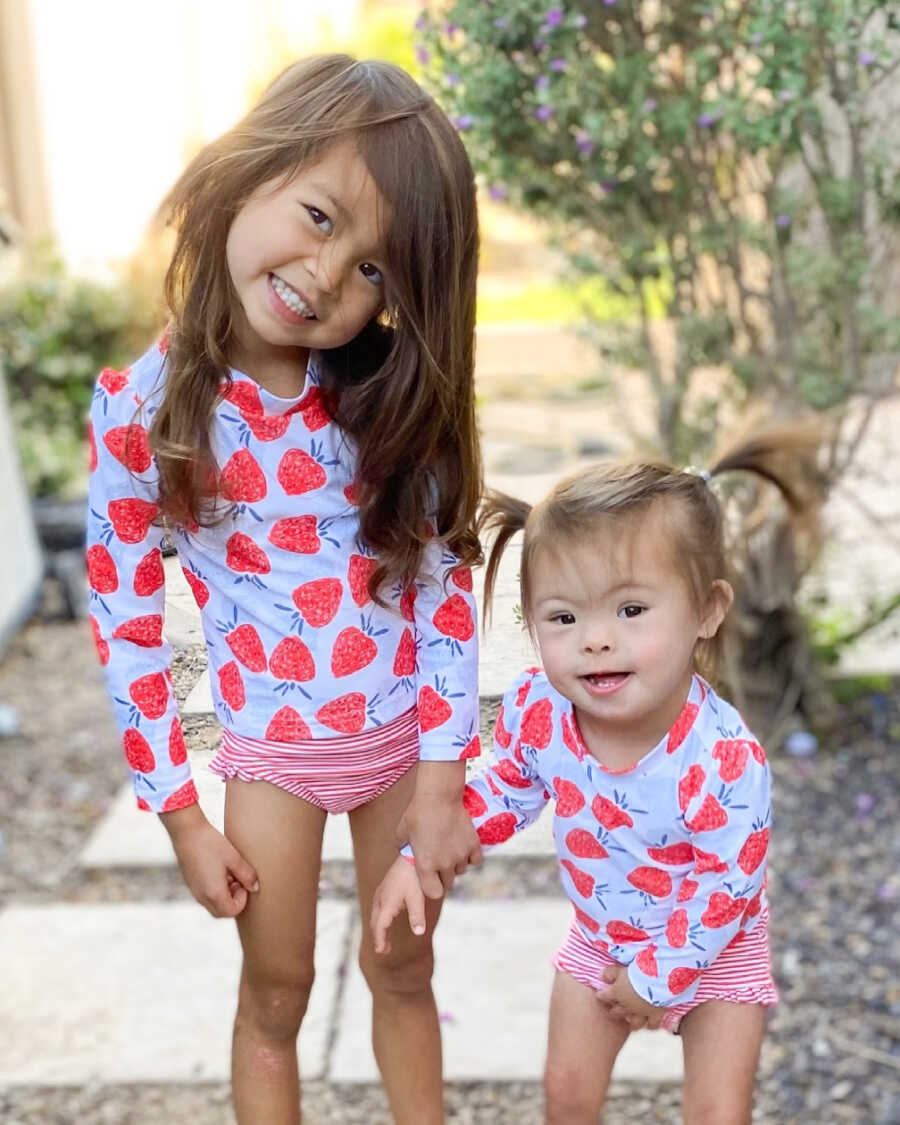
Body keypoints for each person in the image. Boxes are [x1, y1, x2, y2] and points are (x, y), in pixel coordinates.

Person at [86, 55, 484, 1125]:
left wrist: (445, 779)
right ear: (246, 169)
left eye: (374, 273)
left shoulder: (385, 406)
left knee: (403, 973)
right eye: (317, 215)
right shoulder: (141, 412)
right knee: (277, 992)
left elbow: (445, 589)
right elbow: (125, 623)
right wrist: (178, 815)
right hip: (272, 760)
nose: (325, 272)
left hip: (402, 742)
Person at [372, 428, 826, 1124]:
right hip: (601, 936)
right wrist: (418, 854)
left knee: (719, 1111)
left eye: (631, 609)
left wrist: (656, 979)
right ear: (531, 624)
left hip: (717, 946)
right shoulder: (543, 711)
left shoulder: (722, 757)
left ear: (706, 610)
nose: (595, 638)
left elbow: (727, 884)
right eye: (563, 616)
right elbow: (506, 788)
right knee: (568, 1096)